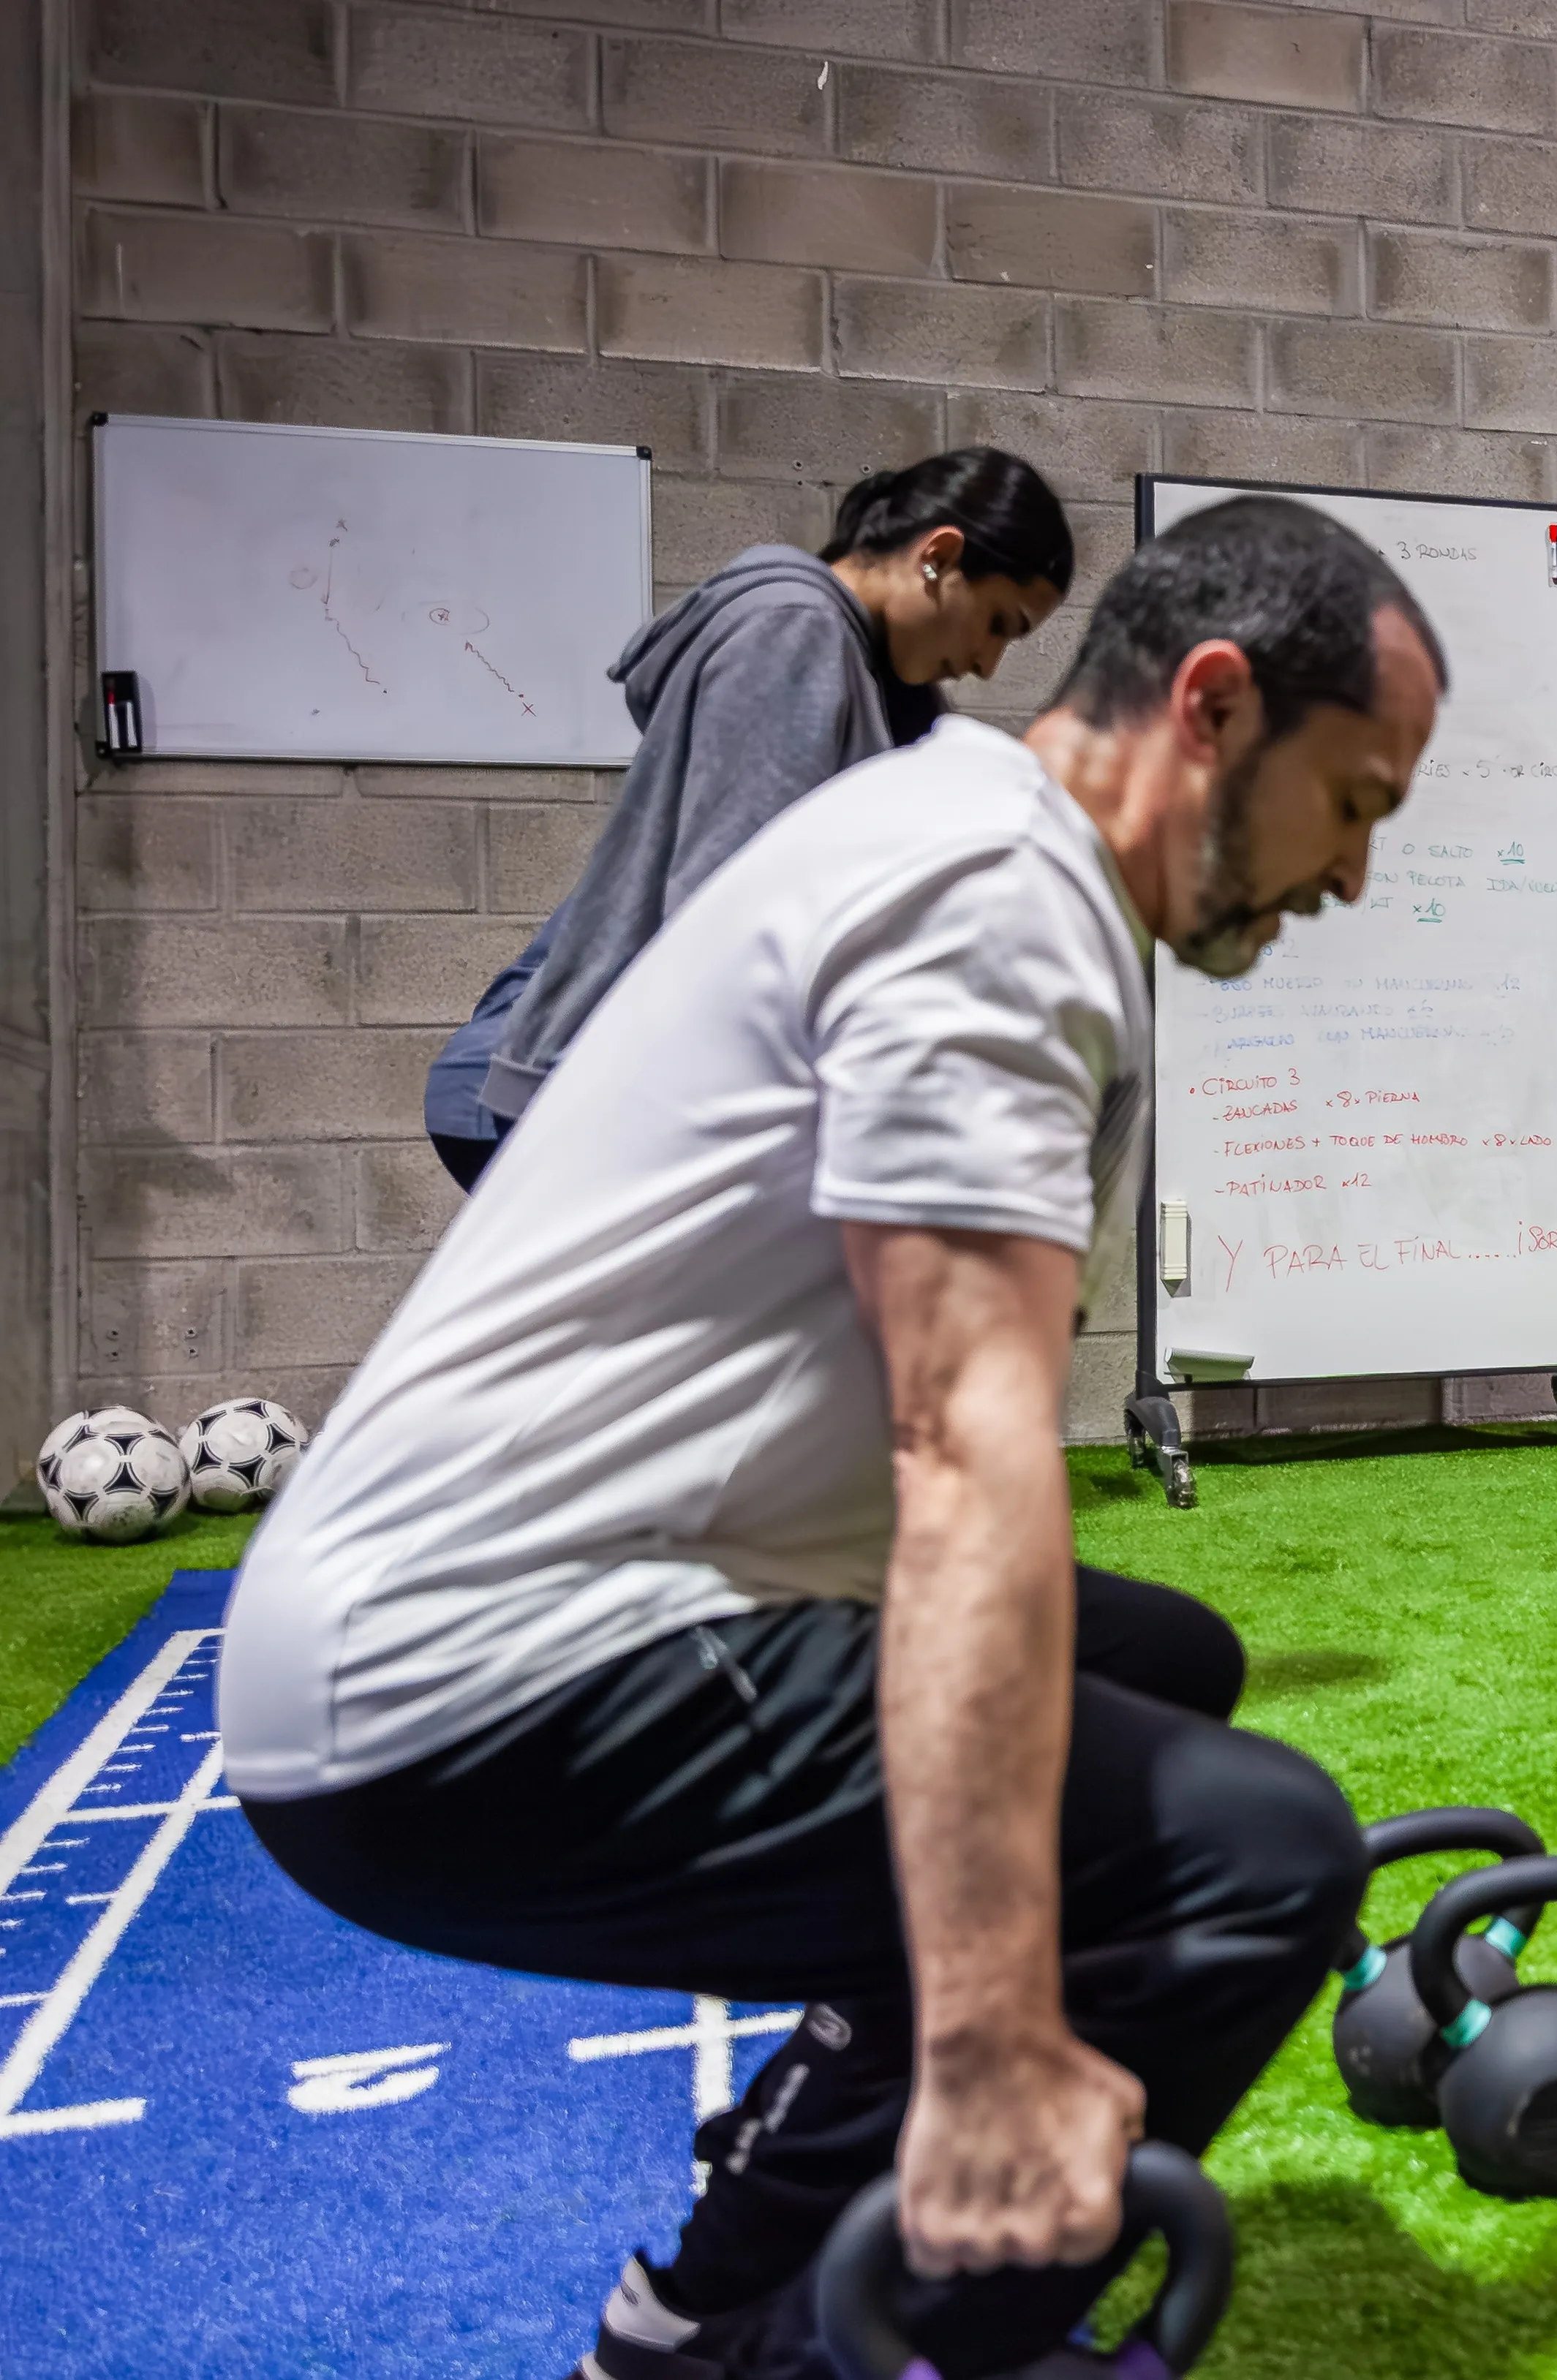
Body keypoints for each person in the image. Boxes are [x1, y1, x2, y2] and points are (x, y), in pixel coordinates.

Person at [226, 497, 1448, 2380]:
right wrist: (987, 2045)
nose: (1353, 878)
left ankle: (707, 2304)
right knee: (1252, 1859)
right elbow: (965, 1461)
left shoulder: (970, 830)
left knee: (1162, 1663)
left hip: (533, 1604)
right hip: (461, 1681)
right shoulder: (996, 905)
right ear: (1209, 707)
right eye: (1355, 804)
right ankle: (836, 2353)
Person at [423, 448, 1077, 1190]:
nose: (988, 662)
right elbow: (731, 912)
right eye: (998, 623)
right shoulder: (793, 631)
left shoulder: (869, 674)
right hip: (576, 1084)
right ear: (938, 556)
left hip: (612, 1084)